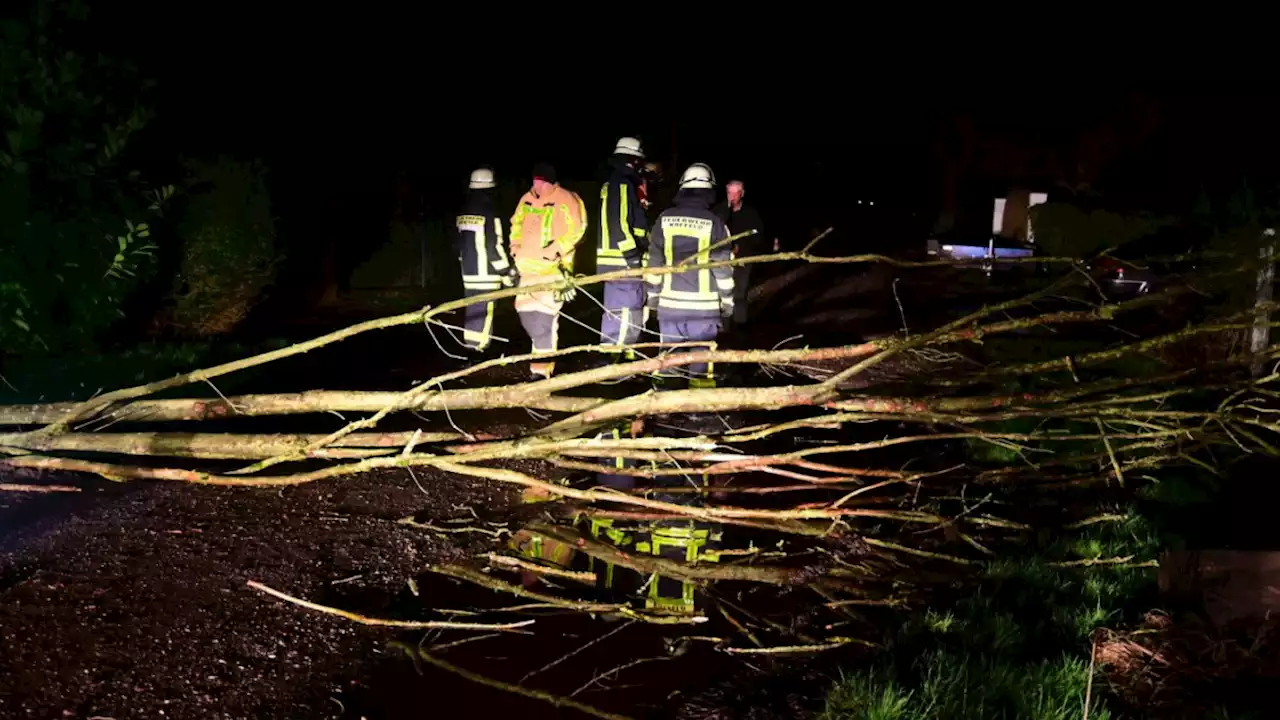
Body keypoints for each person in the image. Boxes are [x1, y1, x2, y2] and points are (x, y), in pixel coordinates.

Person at [645, 163, 734, 389]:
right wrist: (727, 301)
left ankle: (664, 401)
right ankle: (698, 405)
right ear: (709, 191)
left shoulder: (664, 219)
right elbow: (723, 267)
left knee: (670, 355)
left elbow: (654, 263)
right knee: (702, 356)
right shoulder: (716, 223)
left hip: (670, 305)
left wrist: (653, 296)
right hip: (704, 309)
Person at [509, 163, 587, 378]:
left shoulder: (566, 199)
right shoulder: (526, 199)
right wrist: (515, 250)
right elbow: (516, 226)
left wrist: (554, 252)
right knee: (526, 315)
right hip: (526, 270)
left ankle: (540, 373)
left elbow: (576, 230)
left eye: (541, 181)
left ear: (551, 181)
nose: (537, 185)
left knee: (543, 320)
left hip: (552, 270)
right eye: (535, 181)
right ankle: (540, 362)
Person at [597, 137, 651, 357]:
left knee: (624, 311)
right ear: (632, 160)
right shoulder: (621, 183)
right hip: (623, 261)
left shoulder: (617, 182)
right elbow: (618, 223)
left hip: (617, 261)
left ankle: (624, 360)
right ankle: (614, 365)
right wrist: (633, 256)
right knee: (626, 310)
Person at [454, 168, 516, 352]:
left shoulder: (464, 211)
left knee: (472, 311)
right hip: (487, 274)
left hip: (468, 272)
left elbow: (458, 244)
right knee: (486, 312)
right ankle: (480, 349)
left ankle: (470, 346)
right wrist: (506, 272)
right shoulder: (490, 213)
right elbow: (494, 246)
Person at [713, 180, 767, 328]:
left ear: (742, 194)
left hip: (743, 259)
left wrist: (741, 246)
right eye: (730, 192)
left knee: (739, 291)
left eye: (737, 193)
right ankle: (722, 325)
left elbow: (758, 235)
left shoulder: (750, 213)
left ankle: (740, 326)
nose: (733, 196)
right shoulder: (719, 212)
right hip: (722, 259)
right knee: (721, 291)